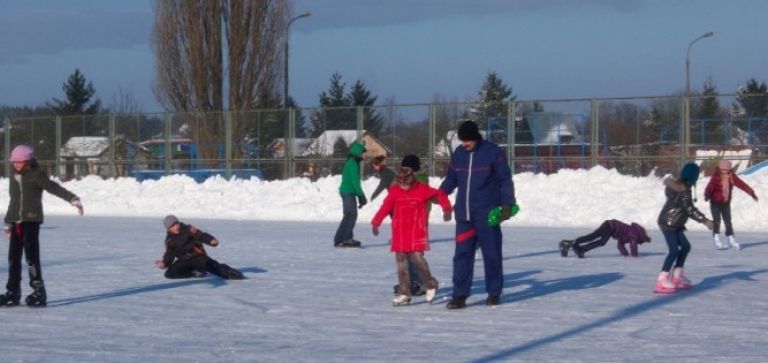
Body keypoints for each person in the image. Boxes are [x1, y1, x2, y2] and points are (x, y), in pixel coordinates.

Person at [439, 120, 517, 309]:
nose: (464, 144)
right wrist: (441, 192)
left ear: (476, 138)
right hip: (464, 215)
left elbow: (504, 179)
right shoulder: (458, 154)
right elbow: (451, 178)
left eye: (467, 140)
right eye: (462, 140)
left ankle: (494, 293)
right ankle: (460, 295)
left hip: (487, 214)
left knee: (491, 254)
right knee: (462, 255)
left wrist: (508, 203)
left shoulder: (493, 153)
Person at [0, 145, 84, 308]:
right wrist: (8, 222)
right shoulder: (14, 176)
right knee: (13, 258)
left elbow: (54, 187)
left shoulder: (36, 174)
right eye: (14, 162)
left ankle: (39, 291)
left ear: (28, 161)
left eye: (20, 162)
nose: (16, 165)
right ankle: (13, 292)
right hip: (16, 221)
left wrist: (72, 198)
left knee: (31, 257)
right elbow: (14, 201)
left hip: (31, 221)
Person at [371, 155, 453, 306]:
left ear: (411, 180)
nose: (403, 187)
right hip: (400, 234)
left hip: (416, 232)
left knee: (418, 261)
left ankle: (430, 284)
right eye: (400, 184)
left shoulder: (422, 189)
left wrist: (447, 209)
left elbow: (440, 195)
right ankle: (404, 293)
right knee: (401, 265)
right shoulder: (395, 191)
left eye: (405, 184)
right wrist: (376, 223)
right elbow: (385, 207)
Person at [654, 163, 713, 294]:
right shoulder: (684, 189)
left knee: (685, 246)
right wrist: (705, 220)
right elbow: (690, 209)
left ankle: (677, 276)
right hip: (669, 223)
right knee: (674, 251)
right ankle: (662, 279)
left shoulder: (678, 186)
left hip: (674, 222)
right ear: (693, 177)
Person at [155, 215, 245, 280]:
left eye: (176, 224)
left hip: (198, 257)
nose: (176, 227)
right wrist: (164, 264)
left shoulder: (188, 229)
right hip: (184, 260)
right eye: (172, 226)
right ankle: (195, 272)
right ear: (168, 229)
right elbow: (169, 254)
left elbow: (201, 236)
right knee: (169, 274)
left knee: (221, 272)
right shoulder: (169, 240)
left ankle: (227, 270)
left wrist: (211, 240)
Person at [703, 160, 758, 250]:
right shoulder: (716, 177)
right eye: (723, 170)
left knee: (728, 221)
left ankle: (731, 238)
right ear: (720, 169)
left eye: (727, 169)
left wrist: (751, 193)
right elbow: (710, 187)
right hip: (715, 202)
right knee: (717, 220)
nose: (726, 171)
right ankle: (716, 238)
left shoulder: (731, 176)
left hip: (725, 203)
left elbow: (742, 185)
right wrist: (707, 195)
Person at [333, 142, 367, 248]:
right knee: (351, 215)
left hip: (347, 191)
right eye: (363, 153)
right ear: (358, 153)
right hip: (348, 191)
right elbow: (355, 182)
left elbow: (354, 183)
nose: (365, 155)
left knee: (348, 215)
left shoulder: (353, 162)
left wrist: (359, 196)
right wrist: (361, 196)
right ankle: (346, 238)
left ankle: (339, 238)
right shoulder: (352, 163)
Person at [560, 220, 651, 258]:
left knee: (592, 237)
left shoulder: (629, 234)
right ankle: (580, 250)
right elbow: (633, 244)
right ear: (642, 237)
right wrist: (634, 255)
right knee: (601, 241)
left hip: (609, 225)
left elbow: (620, 244)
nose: (640, 243)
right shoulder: (635, 232)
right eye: (642, 242)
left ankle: (569, 244)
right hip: (610, 226)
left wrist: (626, 254)